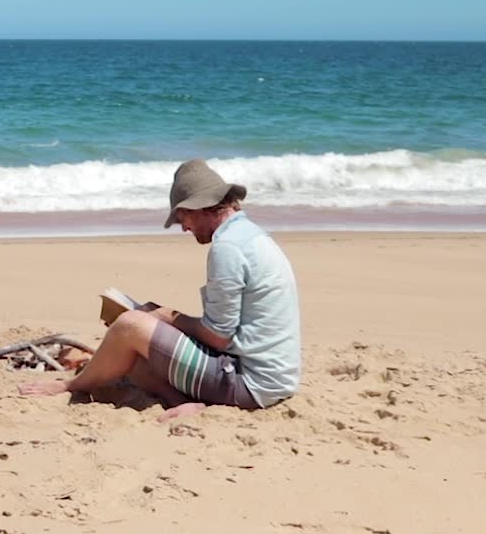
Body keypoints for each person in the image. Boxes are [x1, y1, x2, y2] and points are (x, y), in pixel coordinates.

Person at [19, 159, 301, 420]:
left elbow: (218, 337)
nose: (183, 229)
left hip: (249, 384)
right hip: (271, 377)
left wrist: (168, 316)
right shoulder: (249, 235)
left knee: (129, 325)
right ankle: (180, 401)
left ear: (199, 207)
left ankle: (70, 386)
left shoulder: (228, 247)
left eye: (182, 219)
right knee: (134, 358)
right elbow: (227, 331)